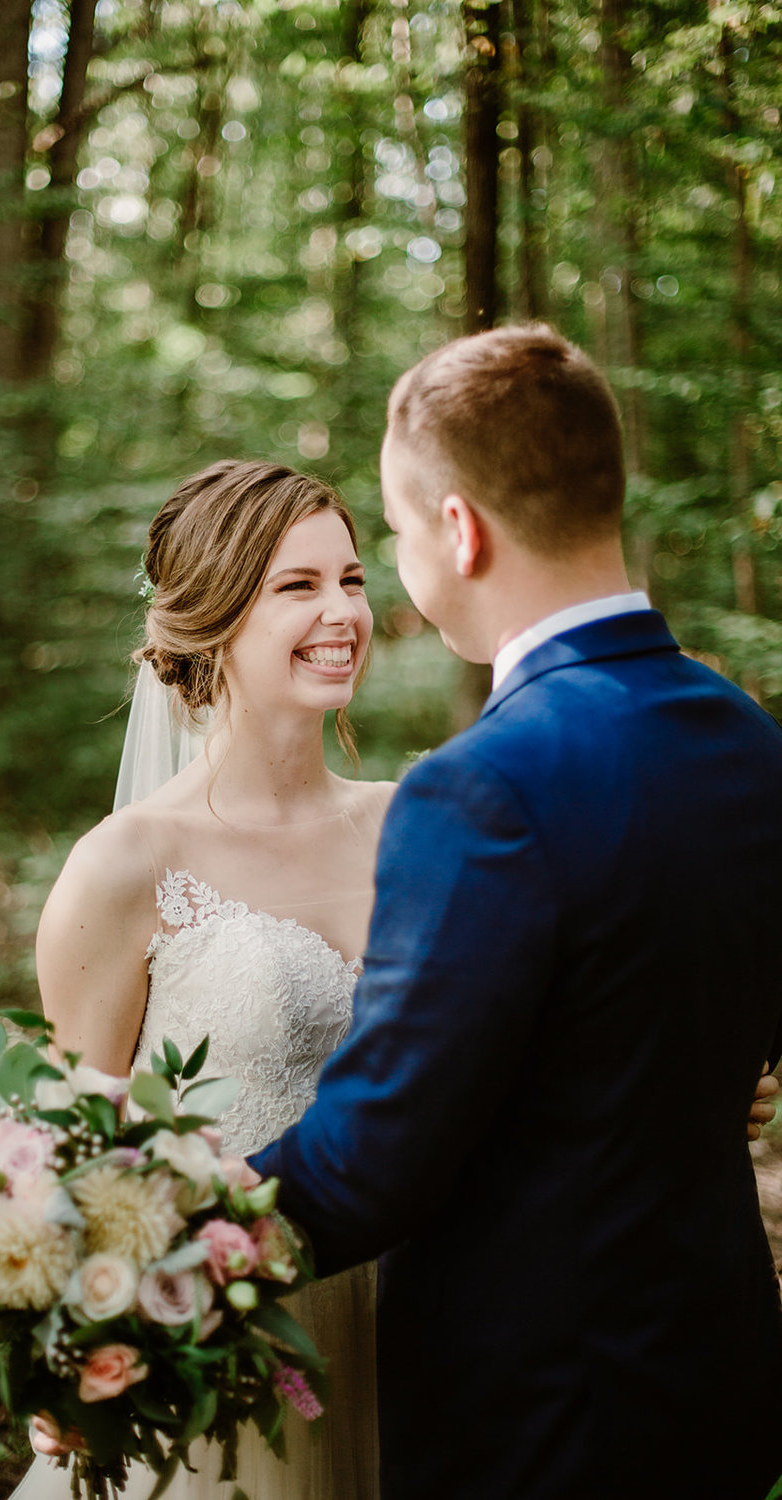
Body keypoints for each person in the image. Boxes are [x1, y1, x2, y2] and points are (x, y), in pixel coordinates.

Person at [252, 324, 782, 1500]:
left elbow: (366, 1166)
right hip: (720, 1375)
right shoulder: (746, 740)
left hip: (544, 1421)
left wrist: (138, 1229)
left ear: (459, 529)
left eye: (390, 531)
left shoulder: (480, 787)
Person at [8, 459, 396, 1500]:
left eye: (351, 580)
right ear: (214, 615)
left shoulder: (415, 824)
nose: (341, 612)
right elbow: (65, 1153)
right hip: (226, 1361)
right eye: (297, 585)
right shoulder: (125, 865)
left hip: (415, 1330)